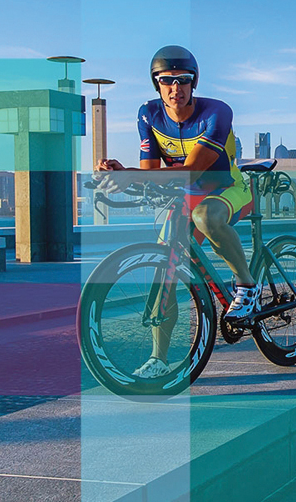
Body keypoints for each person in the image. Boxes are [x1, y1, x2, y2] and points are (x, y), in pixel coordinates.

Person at [97, 46, 253, 378]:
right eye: (166, 81)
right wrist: (120, 175)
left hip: (226, 188)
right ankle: (158, 358)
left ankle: (247, 287)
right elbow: (150, 173)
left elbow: (194, 171)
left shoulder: (217, 112)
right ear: (156, 84)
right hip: (186, 195)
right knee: (163, 268)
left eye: (183, 81)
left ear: (194, 83)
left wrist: (132, 175)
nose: (175, 89)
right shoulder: (148, 115)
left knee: (206, 217)